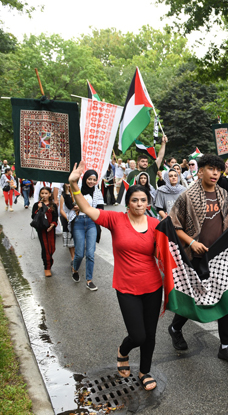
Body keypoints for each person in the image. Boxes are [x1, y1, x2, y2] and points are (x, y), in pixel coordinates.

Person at [69, 161, 162, 391]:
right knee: (137, 335)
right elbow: (88, 209)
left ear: (148, 202)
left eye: (143, 200)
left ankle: (144, 371)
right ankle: (123, 350)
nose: (139, 204)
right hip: (126, 287)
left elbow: (167, 254)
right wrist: (74, 184)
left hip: (153, 286)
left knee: (150, 334)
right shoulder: (115, 220)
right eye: (134, 200)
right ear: (127, 203)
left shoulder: (156, 224)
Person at [167, 154, 228, 366]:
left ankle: (225, 346)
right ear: (201, 171)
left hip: (220, 256)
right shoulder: (187, 196)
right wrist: (192, 242)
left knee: (226, 300)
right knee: (196, 299)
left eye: (218, 170)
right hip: (196, 257)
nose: (215, 173)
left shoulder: (223, 194)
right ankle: (175, 327)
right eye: (210, 169)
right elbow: (173, 224)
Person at [72, 169, 104, 290]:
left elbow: (101, 208)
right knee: (79, 254)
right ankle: (75, 269)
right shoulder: (77, 190)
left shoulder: (97, 192)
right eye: (89, 179)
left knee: (90, 254)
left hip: (91, 223)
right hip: (78, 223)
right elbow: (70, 204)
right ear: (85, 178)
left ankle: (89, 280)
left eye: (94, 179)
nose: (92, 181)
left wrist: (86, 209)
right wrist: (75, 207)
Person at [32, 186, 58, 277]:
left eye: (46, 193)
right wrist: (39, 208)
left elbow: (55, 217)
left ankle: (49, 262)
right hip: (41, 230)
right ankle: (47, 267)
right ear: (40, 194)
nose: (44, 195)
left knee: (52, 248)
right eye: (42, 193)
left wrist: (52, 225)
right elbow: (33, 216)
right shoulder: (37, 204)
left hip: (51, 229)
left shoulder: (53, 205)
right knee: (45, 248)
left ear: (50, 194)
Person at [59, 183, 76, 272]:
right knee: (70, 239)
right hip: (67, 218)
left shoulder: (76, 192)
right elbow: (61, 210)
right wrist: (68, 219)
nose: (68, 185)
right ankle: (73, 258)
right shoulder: (63, 195)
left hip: (76, 218)